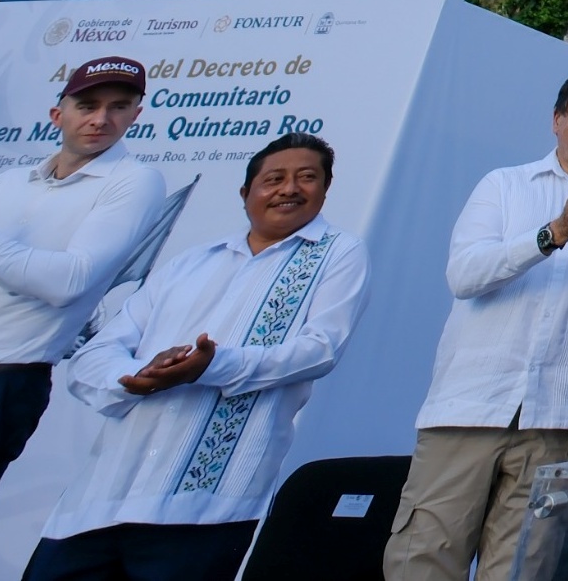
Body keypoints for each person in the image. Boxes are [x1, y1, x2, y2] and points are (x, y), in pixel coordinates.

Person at [23, 133, 369, 581]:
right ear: (245, 192)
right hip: (98, 500)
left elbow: (320, 350)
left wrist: (211, 366)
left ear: (325, 189)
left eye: (307, 178)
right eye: (274, 179)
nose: (289, 188)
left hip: (206, 505)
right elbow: (95, 355)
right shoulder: (191, 262)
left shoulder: (338, 252)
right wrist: (138, 375)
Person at [384, 65, 568, 581]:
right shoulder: (504, 184)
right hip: (470, 406)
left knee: (522, 570)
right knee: (423, 561)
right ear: (557, 119)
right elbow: (465, 275)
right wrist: (551, 235)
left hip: (558, 417)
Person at [0, 56, 168, 576]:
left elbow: (70, 281)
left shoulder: (134, 181)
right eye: (88, 105)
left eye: (118, 107)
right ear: (58, 114)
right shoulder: (8, 183)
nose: (100, 119)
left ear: (136, 115)